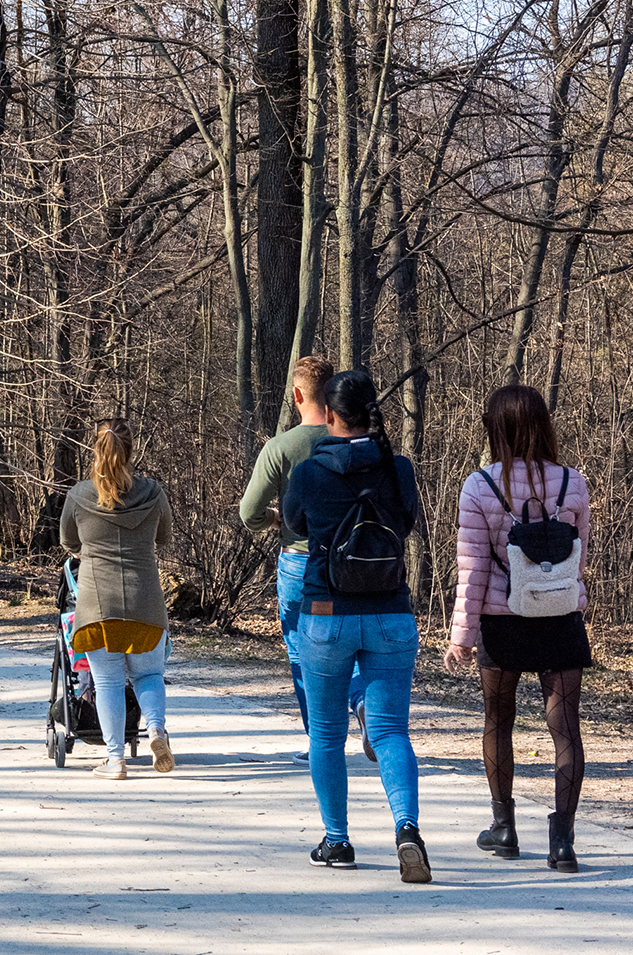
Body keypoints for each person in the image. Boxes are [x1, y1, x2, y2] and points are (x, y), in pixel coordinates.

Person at [281, 369, 430, 883]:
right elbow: (407, 523)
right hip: (391, 612)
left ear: (327, 414)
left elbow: (295, 524)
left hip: (325, 616)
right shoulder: (399, 469)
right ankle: (407, 829)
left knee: (325, 735)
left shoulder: (308, 471)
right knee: (389, 731)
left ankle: (337, 840)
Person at [445, 384, 592, 873]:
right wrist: (577, 607)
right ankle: (563, 841)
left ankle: (504, 828)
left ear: (497, 429)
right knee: (565, 729)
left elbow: (473, 571)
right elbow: (577, 563)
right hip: (560, 619)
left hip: (501, 619)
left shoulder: (479, 486)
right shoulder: (574, 483)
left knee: (497, 722)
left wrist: (461, 636)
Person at [239, 355, 370, 764]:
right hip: (357, 561)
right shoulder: (358, 442)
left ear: (297, 394)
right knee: (348, 641)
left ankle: (320, 742)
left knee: (302, 650)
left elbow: (249, 513)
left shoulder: (282, 448)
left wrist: (275, 520)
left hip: (300, 561)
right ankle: (363, 700)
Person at [59, 420, 173, 780]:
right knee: (149, 674)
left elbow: (68, 542)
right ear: (131, 450)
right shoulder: (153, 493)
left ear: (95, 448)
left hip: (97, 604)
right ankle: (155, 729)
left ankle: (115, 761)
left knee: (106, 681)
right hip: (145, 602)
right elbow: (164, 537)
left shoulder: (78, 495)